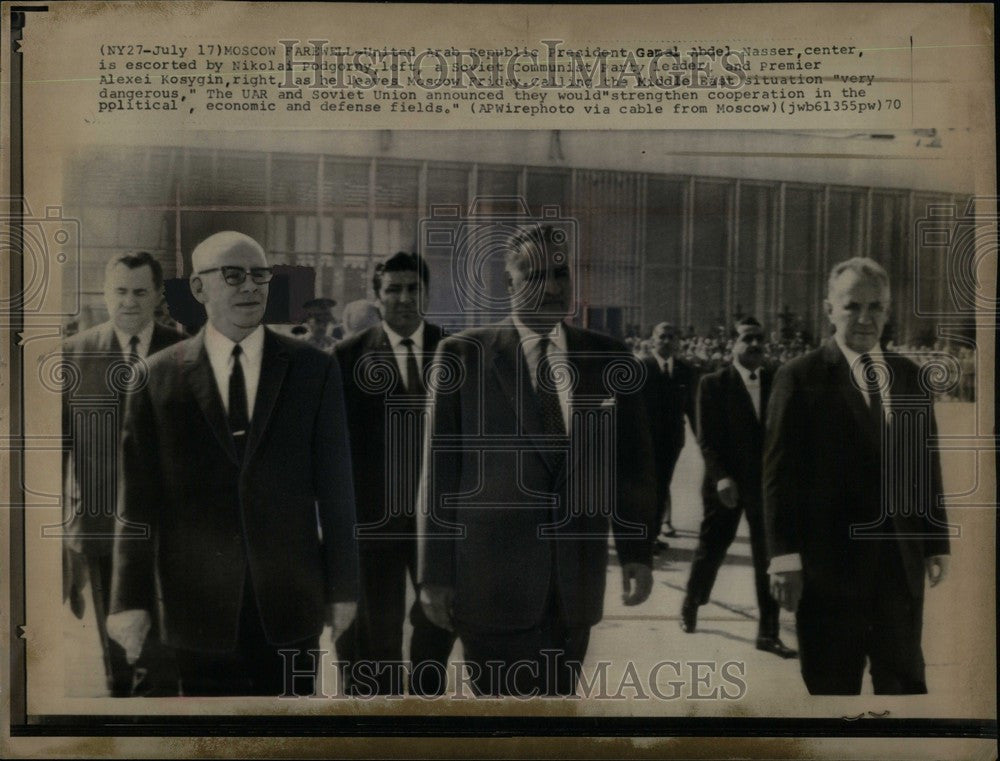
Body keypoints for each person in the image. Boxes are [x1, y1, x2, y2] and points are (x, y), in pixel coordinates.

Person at [107, 231, 359, 696]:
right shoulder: (156, 377)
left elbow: (338, 487)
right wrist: (129, 600)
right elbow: (136, 499)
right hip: (195, 610)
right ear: (199, 290)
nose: (250, 287)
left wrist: (344, 586)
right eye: (232, 275)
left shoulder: (313, 369)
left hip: (290, 607)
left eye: (259, 275)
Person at [417, 225, 657, 697]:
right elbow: (440, 474)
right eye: (534, 274)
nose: (552, 286)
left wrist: (637, 553)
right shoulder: (463, 355)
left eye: (561, 273)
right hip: (490, 589)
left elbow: (632, 467)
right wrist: (434, 576)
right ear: (508, 284)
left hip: (574, 591)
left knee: (556, 723)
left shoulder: (608, 357)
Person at [764, 257, 952, 695]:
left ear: (888, 311)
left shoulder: (910, 378)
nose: (865, 318)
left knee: (904, 689)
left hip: (899, 573)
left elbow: (926, 464)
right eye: (852, 307)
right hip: (830, 575)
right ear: (829, 309)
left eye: (876, 307)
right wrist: (784, 559)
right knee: (832, 693)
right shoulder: (800, 377)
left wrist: (935, 541)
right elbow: (778, 476)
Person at [60, 251, 184, 696]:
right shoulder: (73, 355)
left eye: (139, 292)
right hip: (99, 526)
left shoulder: (185, 351)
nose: (128, 302)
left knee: (160, 657)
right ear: (103, 294)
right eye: (119, 291)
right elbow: (59, 451)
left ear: (157, 296)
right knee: (115, 663)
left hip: (166, 530)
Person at [334, 252, 456, 695]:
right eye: (394, 289)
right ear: (378, 296)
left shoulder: (457, 351)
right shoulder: (345, 359)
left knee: (438, 627)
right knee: (374, 643)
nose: (404, 299)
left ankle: (425, 708)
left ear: (427, 293)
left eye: (414, 289)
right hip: (372, 526)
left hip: (439, 525)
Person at [680, 317, 795, 659]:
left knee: (768, 559)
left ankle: (768, 633)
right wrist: (721, 477)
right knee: (712, 550)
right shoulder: (713, 384)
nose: (756, 345)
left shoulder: (778, 380)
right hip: (725, 487)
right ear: (733, 344)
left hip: (766, 488)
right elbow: (707, 440)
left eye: (760, 339)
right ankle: (693, 600)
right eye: (748, 338)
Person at [641, 321, 698, 548]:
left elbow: (692, 409)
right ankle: (644, 537)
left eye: (672, 337)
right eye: (662, 336)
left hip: (672, 441)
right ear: (653, 339)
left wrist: (703, 440)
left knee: (662, 485)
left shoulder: (686, 371)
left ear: (678, 341)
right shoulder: (641, 367)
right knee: (647, 487)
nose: (667, 341)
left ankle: (652, 536)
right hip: (644, 440)